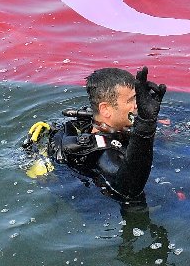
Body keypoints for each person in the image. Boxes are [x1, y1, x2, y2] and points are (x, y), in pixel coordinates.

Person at [21, 66, 167, 205]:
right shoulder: (102, 154)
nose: (138, 105)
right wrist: (146, 124)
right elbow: (129, 189)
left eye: (139, 99)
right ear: (105, 110)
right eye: (132, 100)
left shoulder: (94, 126)